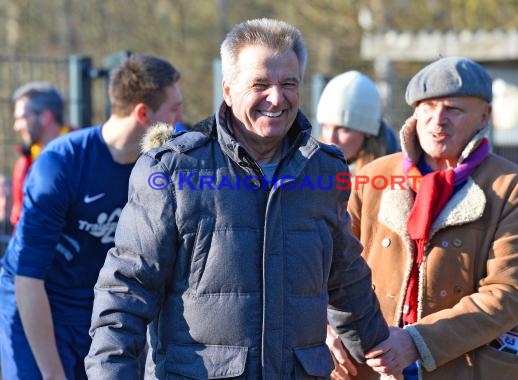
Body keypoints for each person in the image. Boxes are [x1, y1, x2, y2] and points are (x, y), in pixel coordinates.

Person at [85, 18, 392, 379]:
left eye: (288, 84)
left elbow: (346, 277)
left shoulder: (324, 171)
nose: (276, 98)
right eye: (260, 84)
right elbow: (125, 291)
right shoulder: (173, 170)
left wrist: (386, 349)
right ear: (228, 91)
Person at [328, 56, 518, 379]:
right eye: (427, 107)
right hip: (368, 368)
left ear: (484, 116)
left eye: (453, 110)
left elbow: (507, 294)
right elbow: (327, 266)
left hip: (467, 369)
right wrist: (326, 325)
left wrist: (417, 341)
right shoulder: (372, 177)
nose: (437, 120)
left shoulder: (512, 187)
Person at [0, 54, 183, 380]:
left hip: (95, 305)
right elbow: (28, 278)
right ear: (143, 114)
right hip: (36, 304)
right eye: (174, 110)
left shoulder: (162, 164)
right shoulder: (61, 163)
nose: (180, 120)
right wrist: (52, 373)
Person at [10, 82, 71, 229]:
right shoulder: (24, 164)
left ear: (45, 117)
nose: (16, 127)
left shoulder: (85, 156)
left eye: (22, 117)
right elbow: (19, 222)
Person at [317, 70, 400, 174]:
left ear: (367, 132)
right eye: (326, 127)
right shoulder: (311, 171)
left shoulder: (397, 179)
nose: (331, 138)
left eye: (342, 128)